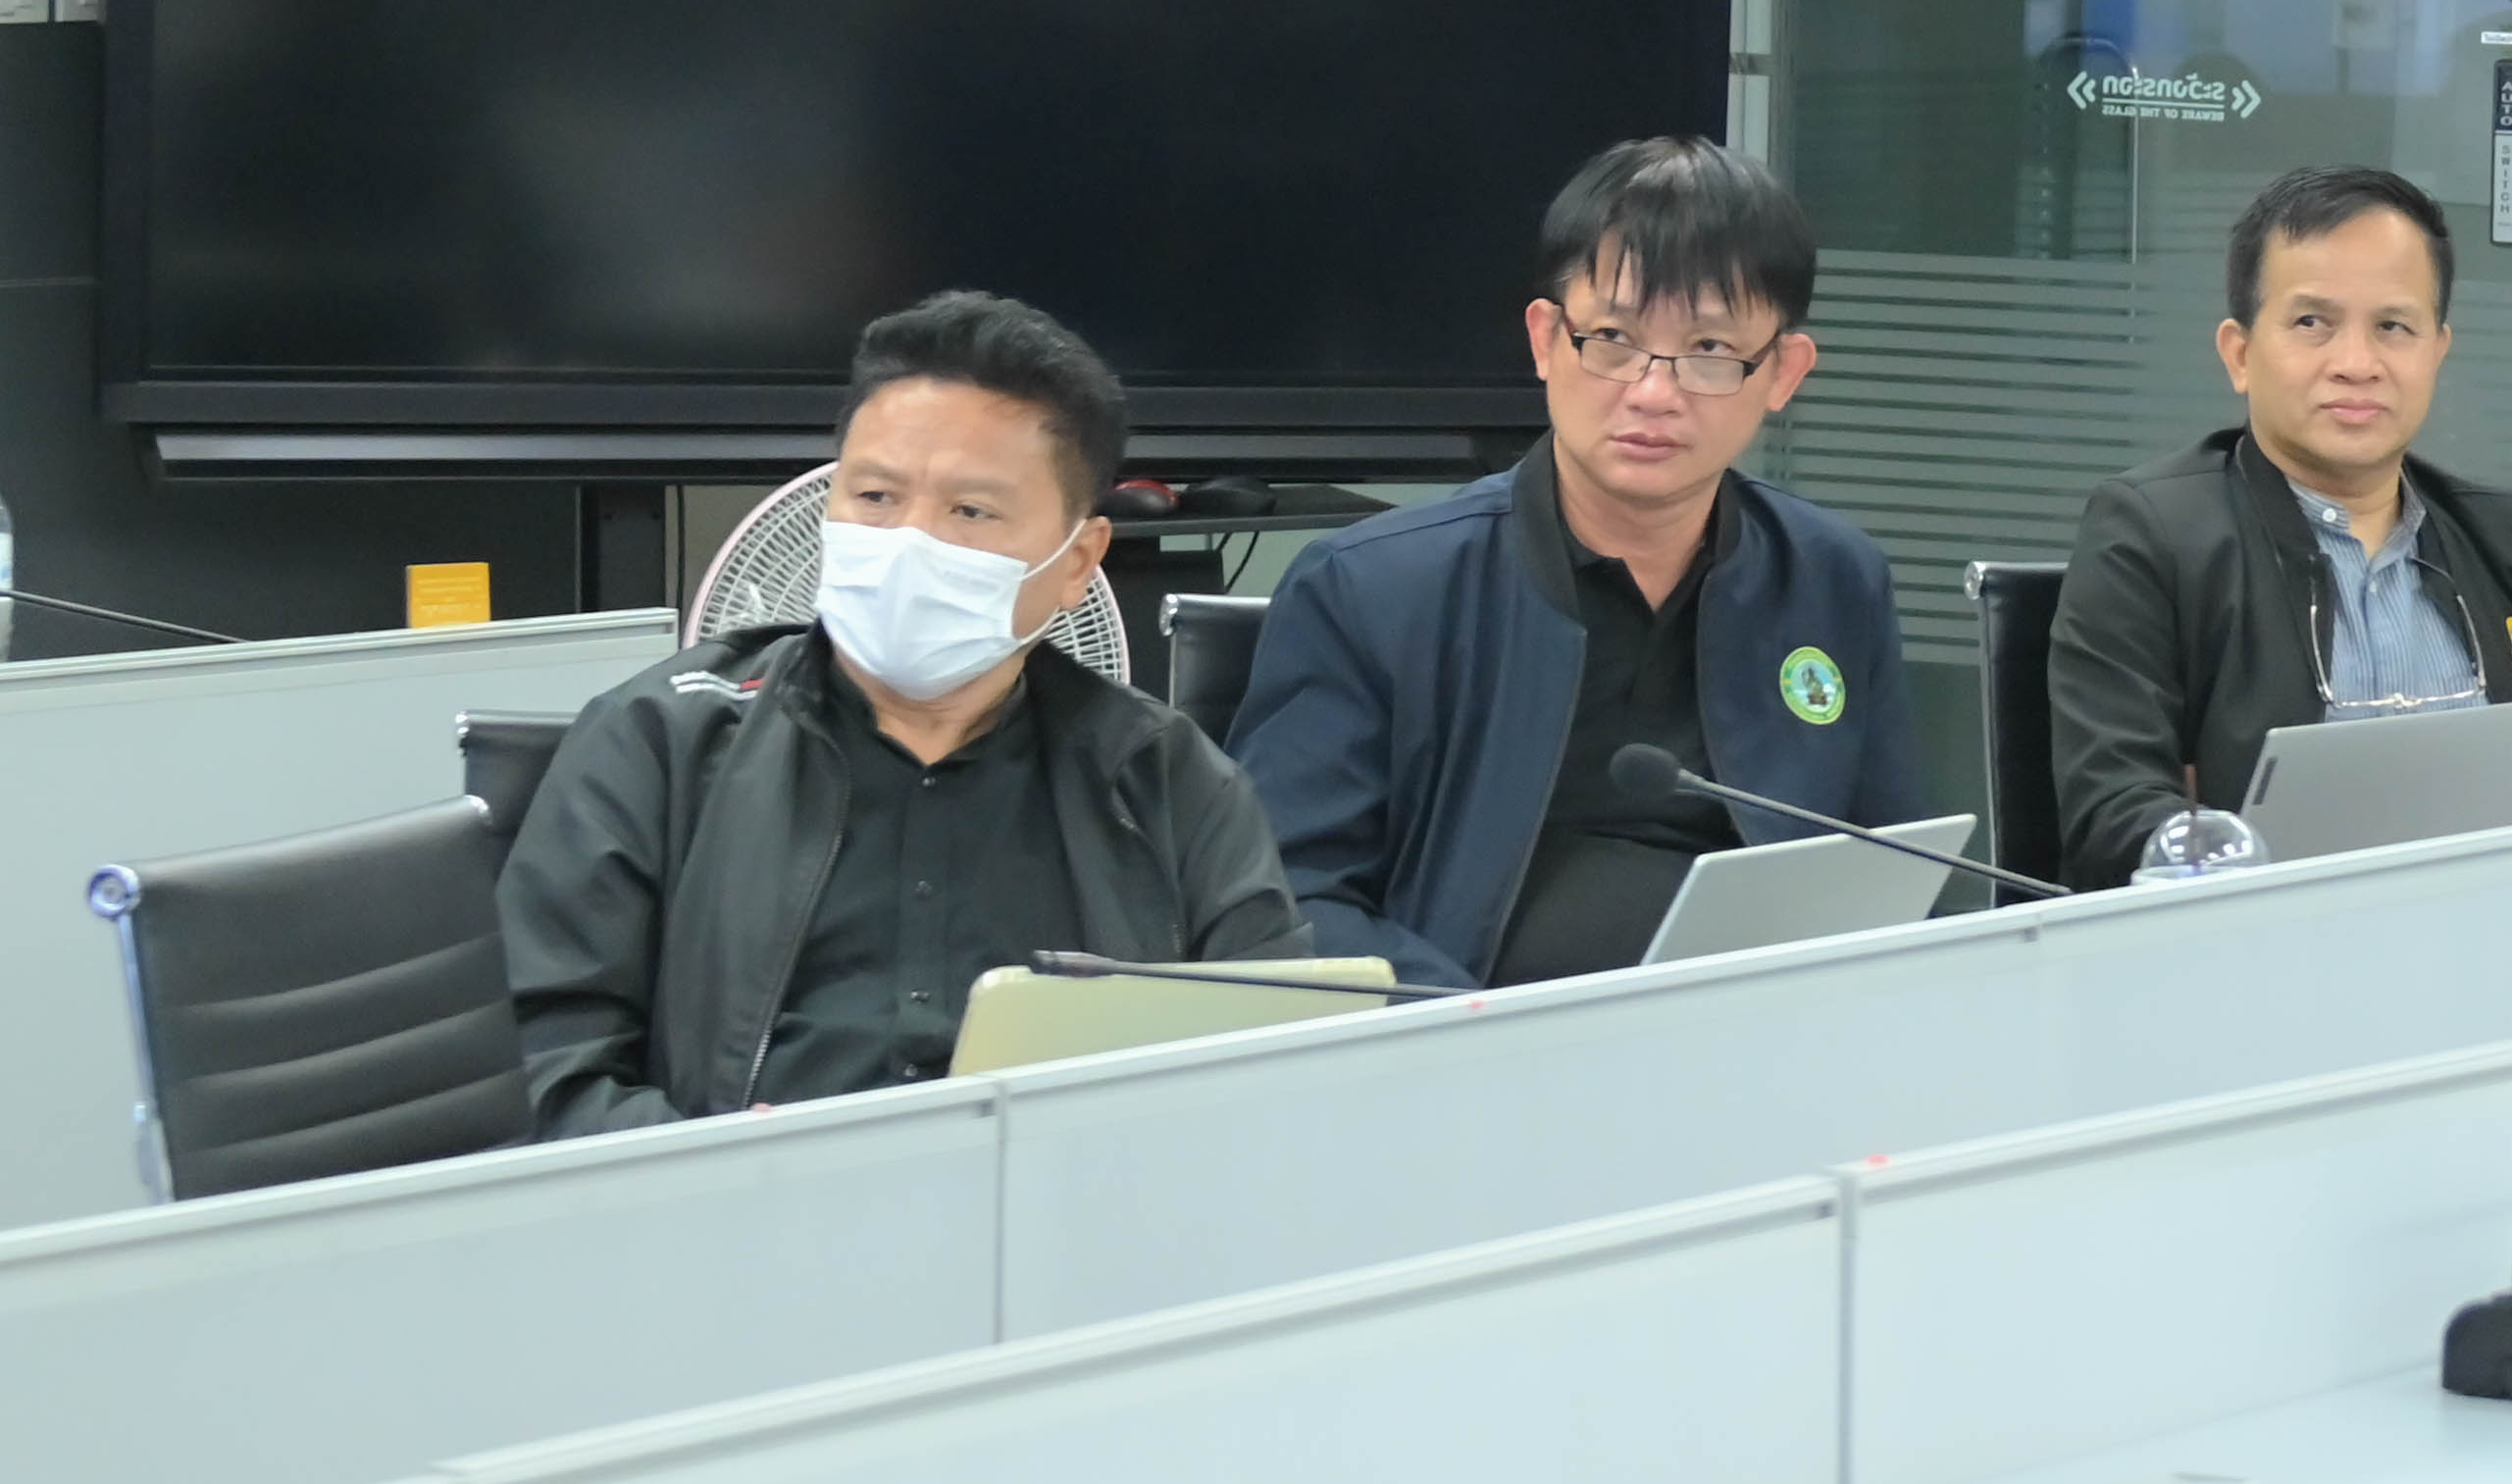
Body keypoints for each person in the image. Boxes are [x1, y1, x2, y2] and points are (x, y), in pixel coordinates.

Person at [503, 291, 1305, 1129]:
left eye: (970, 510)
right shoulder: (657, 742)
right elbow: (541, 1078)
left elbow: (1281, 1078)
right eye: (876, 496)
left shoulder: (1169, 783)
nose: (907, 541)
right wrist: (730, 1172)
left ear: (1078, 561)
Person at [1235, 138, 1921, 986]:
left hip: (1757, 1037)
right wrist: (1484, 1030)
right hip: (1462, 1043)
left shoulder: (1832, 580)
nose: (1653, 392)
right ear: (1545, 340)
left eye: (1711, 349)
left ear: (1783, 373)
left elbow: (1896, 876)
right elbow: (1287, 901)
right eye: (1613, 338)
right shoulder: (1371, 589)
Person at [2045, 163, 2512, 888]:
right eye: (2312, 323)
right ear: (2239, 354)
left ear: (2437, 352)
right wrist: (2224, 853)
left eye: (2393, 327)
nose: (2356, 363)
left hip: (2507, 924)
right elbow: (2112, 821)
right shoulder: (2154, 535)